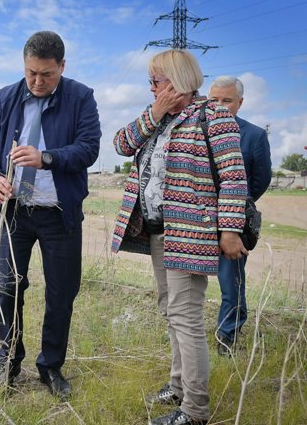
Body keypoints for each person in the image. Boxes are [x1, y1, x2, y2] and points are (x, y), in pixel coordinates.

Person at [110, 50, 248, 425]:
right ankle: (178, 386)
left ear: (179, 78)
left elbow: (234, 177)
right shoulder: (159, 117)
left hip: (191, 232)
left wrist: (231, 229)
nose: (152, 88)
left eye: (157, 81)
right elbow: (121, 144)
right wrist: (155, 111)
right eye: (151, 82)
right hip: (157, 230)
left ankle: (194, 410)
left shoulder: (215, 117)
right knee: (170, 311)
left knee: (185, 317)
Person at [0, 31, 101, 399]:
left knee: (61, 293)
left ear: (62, 66)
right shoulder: (4, 98)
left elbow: (88, 149)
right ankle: (8, 361)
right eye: (31, 73)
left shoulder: (81, 97)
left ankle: (50, 367)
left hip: (59, 214)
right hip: (14, 213)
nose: (38, 81)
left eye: (47, 74)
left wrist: (46, 158)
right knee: (7, 288)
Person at [209, 76, 272, 356]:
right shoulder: (198, 130)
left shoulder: (255, 135)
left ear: (240, 103)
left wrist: (233, 211)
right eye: (214, 100)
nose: (219, 106)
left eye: (227, 100)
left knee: (230, 280)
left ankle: (227, 335)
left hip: (233, 224)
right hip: (197, 220)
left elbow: (260, 180)